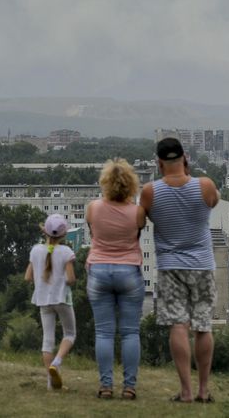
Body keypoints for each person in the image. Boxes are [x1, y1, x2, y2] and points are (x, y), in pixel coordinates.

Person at [140, 138, 220, 404]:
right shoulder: (205, 185)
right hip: (202, 265)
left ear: (159, 162)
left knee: (178, 325)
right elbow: (213, 202)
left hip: (170, 266)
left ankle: (185, 391)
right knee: (203, 326)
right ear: (185, 157)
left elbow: (144, 218)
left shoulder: (150, 191)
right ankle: (203, 390)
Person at [85, 158, 146, 400]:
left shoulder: (93, 208)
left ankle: (105, 385)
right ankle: (129, 387)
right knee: (130, 332)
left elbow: (93, 231)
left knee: (104, 333)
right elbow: (138, 232)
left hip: (99, 271)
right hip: (129, 271)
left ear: (105, 183)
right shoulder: (137, 212)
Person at [25, 213, 76, 390]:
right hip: (62, 298)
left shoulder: (35, 250)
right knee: (69, 334)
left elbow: (27, 277)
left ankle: (50, 383)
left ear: (44, 232)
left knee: (48, 340)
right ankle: (57, 361)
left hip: (43, 300)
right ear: (63, 235)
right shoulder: (67, 252)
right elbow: (70, 279)